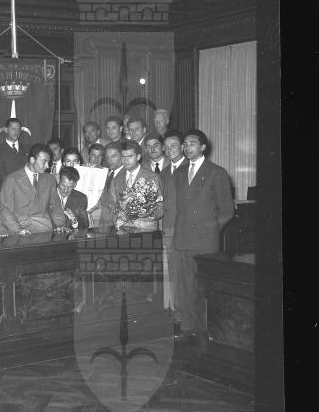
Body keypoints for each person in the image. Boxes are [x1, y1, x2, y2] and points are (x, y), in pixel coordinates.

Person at [172, 129, 234, 340]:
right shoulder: (179, 173)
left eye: (192, 143)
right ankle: (187, 328)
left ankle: (205, 331)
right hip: (182, 240)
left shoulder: (217, 173)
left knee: (203, 289)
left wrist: (209, 230)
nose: (187, 147)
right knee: (185, 287)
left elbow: (227, 210)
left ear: (203, 147)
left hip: (205, 242)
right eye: (185, 144)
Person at [0, 143, 66, 235]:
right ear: (32, 160)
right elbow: (6, 211)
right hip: (19, 227)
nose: (47, 166)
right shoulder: (11, 180)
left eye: (48, 162)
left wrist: (60, 225)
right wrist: (18, 230)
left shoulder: (50, 180)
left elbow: (56, 207)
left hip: (44, 228)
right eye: (44, 162)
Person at [159, 130, 188, 335]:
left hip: (186, 231)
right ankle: (177, 316)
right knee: (172, 274)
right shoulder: (164, 172)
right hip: (168, 229)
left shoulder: (190, 168)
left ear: (183, 147)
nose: (169, 150)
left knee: (185, 274)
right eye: (166, 147)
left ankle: (185, 318)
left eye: (173, 146)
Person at [100, 140, 163, 231]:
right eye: (123, 156)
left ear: (138, 157)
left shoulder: (152, 177)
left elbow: (160, 207)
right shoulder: (116, 180)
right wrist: (119, 217)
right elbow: (111, 206)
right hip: (122, 231)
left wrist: (147, 213)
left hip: (146, 230)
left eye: (130, 156)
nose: (126, 160)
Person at [0, 118, 29, 190]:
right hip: (7, 188)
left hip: (25, 188)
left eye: (18, 129)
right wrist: (13, 187)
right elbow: (0, 173)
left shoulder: (26, 149)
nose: (16, 132)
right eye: (13, 129)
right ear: (6, 130)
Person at [55, 166, 89, 231]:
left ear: (75, 185)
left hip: (70, 236)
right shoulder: (48, 194)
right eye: (63, 186)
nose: (65, 190)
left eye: (70, 187)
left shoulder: (81, 198)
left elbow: (84, 225)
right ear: (58, 180)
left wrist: (74, 220)